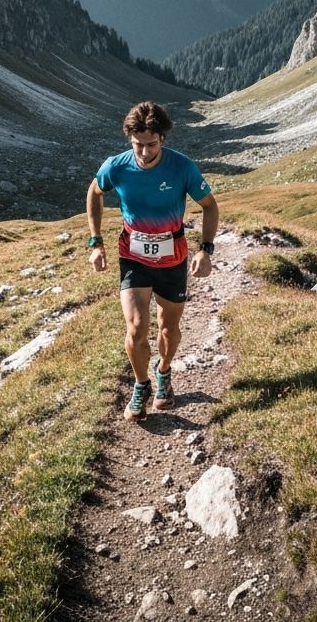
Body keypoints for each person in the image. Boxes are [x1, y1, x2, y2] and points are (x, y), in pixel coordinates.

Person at [86, 101, 218, 422]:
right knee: (136, 327)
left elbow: (210, 207)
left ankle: (164, 372)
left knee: (168, 328)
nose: (144, 153)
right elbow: (95, 193)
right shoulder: (116, 167)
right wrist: (96, 241)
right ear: (129, 140)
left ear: (163, 139)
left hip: (173, 257)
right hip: (133, 256)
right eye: (138, 145)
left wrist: (205, 249)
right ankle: (141, 384)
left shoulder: (182, 168)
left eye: (151, 145)